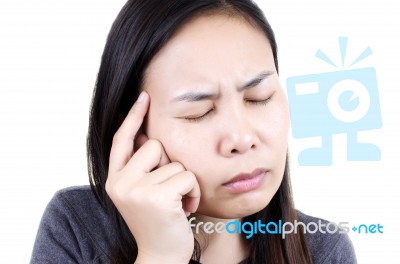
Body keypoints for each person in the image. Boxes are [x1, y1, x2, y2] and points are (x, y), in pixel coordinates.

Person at [30, 0, 357, 263]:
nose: (242, 139)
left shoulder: (324, 250)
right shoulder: (77, 227)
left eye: (259, 98)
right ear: (132, 131)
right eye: (198, 113)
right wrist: (161, 255)